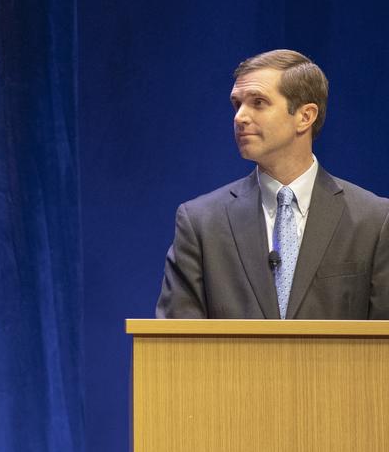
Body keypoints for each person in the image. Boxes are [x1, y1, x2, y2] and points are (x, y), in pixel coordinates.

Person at [156, 49, 389, 319]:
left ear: (305, 116)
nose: (240, 117)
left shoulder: (374, 220)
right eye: (237, 104)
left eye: (258, 102)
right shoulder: (200, 223)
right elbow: (174, 346)